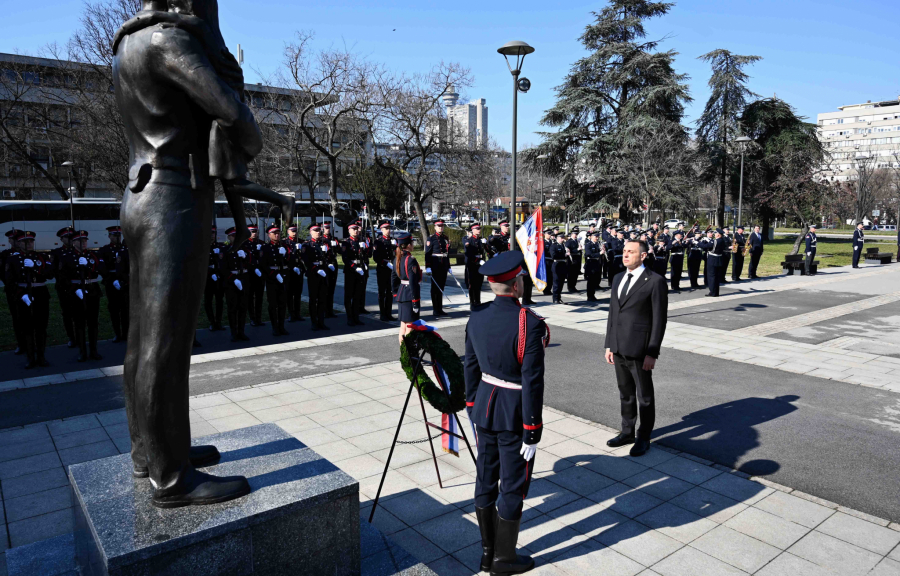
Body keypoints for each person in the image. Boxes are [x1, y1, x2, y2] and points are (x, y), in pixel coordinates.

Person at [465, 251, 549, 576]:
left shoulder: (476, 316)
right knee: (513, 485)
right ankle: (503, 559)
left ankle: (487, 554)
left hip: (484, 407)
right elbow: (532, 380)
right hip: (514, 413)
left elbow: (471, 366)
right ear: (516, 284)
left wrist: (472, 405)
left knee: (485, 478)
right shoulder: (529, 322)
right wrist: (532, 428)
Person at [604, 239, 668, 457]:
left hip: (640, 349)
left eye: (630, 252)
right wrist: (609, 344)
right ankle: (627, 431)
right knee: (625, 393)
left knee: (644, 396)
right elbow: (613, 314)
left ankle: (643, 436)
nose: (625, 255)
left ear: (643, 256)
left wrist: (652, 352)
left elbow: (659, 320)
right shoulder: (618, 278)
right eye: (624, 251)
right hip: (618, 346)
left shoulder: (655, 281)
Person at [7, 231, 53, 368]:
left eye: (31, 241)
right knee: (27, 328)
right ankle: (30, 357)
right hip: (23, 295)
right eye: (25, 242)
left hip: (40, 294)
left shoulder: (42, 257)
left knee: (41, 327)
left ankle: (41, 356)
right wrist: (21, 294)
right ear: (19, 243)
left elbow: (50, 274)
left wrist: (36, 268)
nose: (29, 244)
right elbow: (9, 282)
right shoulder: (13, 259)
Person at [60, 230, 104, 361]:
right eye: (80, 241)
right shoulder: (67, 256)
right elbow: (62, 277)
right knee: (79, 323)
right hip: (76, 292)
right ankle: (82, 351)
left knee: (93, 322)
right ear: (74, 242)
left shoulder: (93, 255)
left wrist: (89, 265)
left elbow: (102, 268)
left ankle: (94, 350)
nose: (83, 243)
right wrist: (75, 289)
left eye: (85, 240)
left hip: (92, 290)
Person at [222, 227, 251, 342]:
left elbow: (252, 264)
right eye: (233, 236)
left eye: (237, 236)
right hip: (231, 283)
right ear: (229, 237)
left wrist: (245, 258)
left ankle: (241, 332)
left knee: (243, 307)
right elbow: (222, 268)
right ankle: (233, 333)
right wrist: (233, 279)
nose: (236, 238)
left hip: (243, 280)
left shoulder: (245, 249)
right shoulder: (225, 250)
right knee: (232, 308)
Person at [391, 231, 420, 343]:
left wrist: (395, 292)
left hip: (401, 293)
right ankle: (409, 352)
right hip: (409, 296)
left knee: (403, 326)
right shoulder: (410, 260)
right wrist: (415, 301)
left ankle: (404, 351)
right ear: (408, 245)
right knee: (410, 327)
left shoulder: (397, 258)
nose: (413, 245)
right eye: (412, 243)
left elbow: (393, 277)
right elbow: (413, 282)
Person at [260, 224, 290, 336]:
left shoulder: (284, 246)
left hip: (283, 277)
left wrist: (285, 255)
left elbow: (290, 261)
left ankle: (281, 326)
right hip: (272, 279)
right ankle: (274, 327)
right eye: (274, 233)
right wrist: (273, 274)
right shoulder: (265, 248)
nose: (277, 235)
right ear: (269, 235)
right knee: (273, 304)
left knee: (282, 303)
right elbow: (263, 265)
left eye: (278, 233)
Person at [300, 223, 331, 331]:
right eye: (315, 231)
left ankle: (321, 321)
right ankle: (314, 322)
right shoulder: (307, 245)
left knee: (322, 299)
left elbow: (329, 256)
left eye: (319, 230)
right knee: (313, 299)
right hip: (314, 274)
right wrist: (316, 269)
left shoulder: (324, 243)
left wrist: (327, 251)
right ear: (311, 232)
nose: (318, 232)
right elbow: (306, 260)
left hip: (323, 274)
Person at [50, 227, 77, 347]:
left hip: (78, 286)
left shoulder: (79, 251)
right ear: (61, 239)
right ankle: (71, 336)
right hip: (64, 288)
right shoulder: (57, 253)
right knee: (67, 313)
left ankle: (80, 336)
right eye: (67, 237)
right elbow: (53, 270)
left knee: (79, 313)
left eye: (72, 237)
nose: (70, 239)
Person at [341, 222, 370, 326]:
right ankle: (350, 318)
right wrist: (354, 267)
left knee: (358, 295)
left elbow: (367, 255)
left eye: (357, 229)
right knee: (349, 295)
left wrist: (365, 248)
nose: (356, 231)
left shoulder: (361, 241)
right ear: (349, 231)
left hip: (360, 270)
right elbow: (345, 258)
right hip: (351, 271)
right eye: (353, 229)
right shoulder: (346, 243)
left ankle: (356, 317)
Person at [424, 219, 452, 317]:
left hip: (443, 265)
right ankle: (435, 309)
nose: (441, 227)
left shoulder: (445, 238)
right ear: (435, 227)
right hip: (435, 265)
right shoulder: (431, 238)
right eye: (439, 226)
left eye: (442, 226)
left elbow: (446, 253)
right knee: (435, 288)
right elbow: (428, 254)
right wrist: (428, 267)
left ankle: (440, 308)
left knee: (441, 287)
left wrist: (449, 266)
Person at [241, 224, 265, 326]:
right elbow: (244, 260)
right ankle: (252, 318)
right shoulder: (244, 244)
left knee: (259, 297)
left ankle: (258, 318)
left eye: (255, 231)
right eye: (252, 232)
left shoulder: (262, 243)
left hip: (260, 274)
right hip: (249, 274)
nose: (254, 233)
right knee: (250, 297)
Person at [203, 225, 225, 331]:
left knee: (219, 301)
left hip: (219, 278)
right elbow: (200, 264)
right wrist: (210, 272)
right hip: (208, 279)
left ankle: (218, 322)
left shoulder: (220, 246)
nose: (212, 235)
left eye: (213, 233)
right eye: (210, 233)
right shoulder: (202, 247)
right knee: (208, 301)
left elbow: (223, 262)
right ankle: (212, 322)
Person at [373, 221, 397, 321]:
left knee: (390, 292)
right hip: (382, 269)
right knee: (382, 292)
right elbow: (376, 257)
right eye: (386, 228)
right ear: (382, 230)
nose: (388, 230)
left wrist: (395, 247)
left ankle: (388, 313)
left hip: (391, 269)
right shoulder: (378, 242)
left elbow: (396, 254)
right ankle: (382, 314)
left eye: (389, 228)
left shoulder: (393, 241)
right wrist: (385, 263)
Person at [464, 223, 488, 309]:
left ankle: (478, 301)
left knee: (479, 284)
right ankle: (472, 303)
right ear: (473, 230)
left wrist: (485, 244)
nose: (479, 230)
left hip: (480, 265)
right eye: (477, 229)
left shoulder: (481, 240)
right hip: (472, 266)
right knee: (472, 285)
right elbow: (468, 254)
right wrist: (477, 260)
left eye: (479, 229)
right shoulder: (469, 241)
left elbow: (486, 251)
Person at [284, 224, 305, 322]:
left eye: (295, 231)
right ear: (288, 232)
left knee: (298, 293)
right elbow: (284, 258)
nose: (294, 233)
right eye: (292, 231)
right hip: (289, 271)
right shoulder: (284, 243)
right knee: (289, 293)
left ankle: (297, 313)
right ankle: (291, 314)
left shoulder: (301, 242)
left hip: (299, 270)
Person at [321, 221, 340, 318]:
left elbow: (339, 251)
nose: (327, 229)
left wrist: (335, 245)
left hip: (333, 264)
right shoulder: (321, 240)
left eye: (328, 228)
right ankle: (324, 310)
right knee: (325, 288)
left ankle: (330, 310)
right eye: (326, 228)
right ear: (322, 229)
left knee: (332, 288)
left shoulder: (334, 239)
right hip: (325, 265)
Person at [584, 230, 604, 301]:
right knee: (590, 280)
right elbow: (589, 254)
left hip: (596, 262)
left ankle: (592, 295)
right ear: (592, 237)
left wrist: (601, 250)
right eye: (596, 237)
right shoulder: (588, 244)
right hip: (591, 263)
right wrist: (599, 253)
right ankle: (589, 296)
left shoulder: (596, 244)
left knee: (595, 280)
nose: (597, 238)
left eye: (598, 237)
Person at [706, 229, 725, 297]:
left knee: (712, 276)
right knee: (716, 277)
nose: (714, 234)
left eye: (715, 233)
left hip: (713, 259)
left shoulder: (716, 241)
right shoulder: (722, 240)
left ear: (718, 234)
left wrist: (696, 242)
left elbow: (706, 246)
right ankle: (716, 292)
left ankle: (712, 292)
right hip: (719, 259)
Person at [550, 232, 568, 304]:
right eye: (561, 238)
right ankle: (555, 298)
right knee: (556, 283)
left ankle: (559, 297)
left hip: (562, 265)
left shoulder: (562, 245)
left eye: (563, 238)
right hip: (557, 265)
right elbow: (554, 256)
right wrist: (564, 255)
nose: (563, 239)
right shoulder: (554, 246)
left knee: (561, 283)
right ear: (557, 238)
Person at [565, 228, 582, 293]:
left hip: (577, 259)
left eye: (577, 234)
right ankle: (570, 287)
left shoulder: (576, 241)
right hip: (571, 260)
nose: (576, 235)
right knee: (571, 275)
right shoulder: (569, 241)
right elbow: (568, 250)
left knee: (575, 274)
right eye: (575, 234)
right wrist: (577, 249)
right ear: (572, 234)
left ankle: (573, 286)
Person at [541, 228, 554, 296]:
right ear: (545, 234)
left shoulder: (551, 242)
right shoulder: (543, 242)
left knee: (551, 276)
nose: (549, 235)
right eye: (548, 234)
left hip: (551, 260)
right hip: (546, 261)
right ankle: (545, 290)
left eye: (550, 234)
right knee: (546, 276)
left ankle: (549, 289)